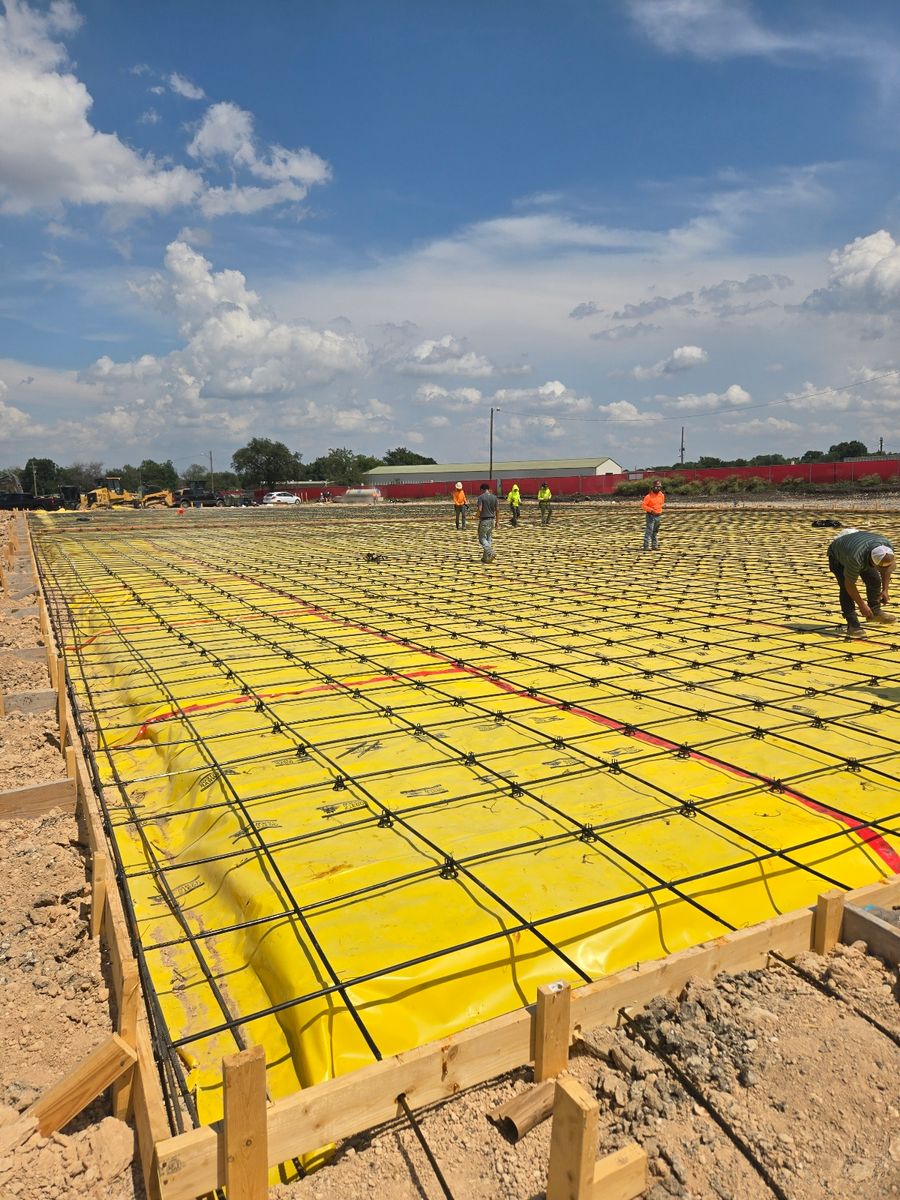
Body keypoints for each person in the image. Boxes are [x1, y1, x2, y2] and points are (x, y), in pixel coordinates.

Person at [827, 529, 896, 637]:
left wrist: (885, 590)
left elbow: (886, 570)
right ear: (871, 560)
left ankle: (875, 612)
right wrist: (862, 605)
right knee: (845, 589)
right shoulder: (855, 559)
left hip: (859, 546)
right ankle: (852, 623)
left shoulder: (887, 548)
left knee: (874, 580)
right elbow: (849, 584)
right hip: (838, 556)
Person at [476, 482, 499, 563]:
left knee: (482, 538)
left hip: (484, 520)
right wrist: (497, 522)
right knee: (488, 538)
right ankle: (486, 558)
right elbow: (497, 510)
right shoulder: (494, 497)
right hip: (492, 520)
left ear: (482, 489)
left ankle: (490, 552)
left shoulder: (481, 497)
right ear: (488, 489)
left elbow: (480, 509)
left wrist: (476, 515)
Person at [641, 479, 665, 550]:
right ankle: (646, 546)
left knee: (655, 531)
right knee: (649, 530)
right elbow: (643, 506)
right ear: (653, 487)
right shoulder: (648, 496)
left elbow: (661, 504)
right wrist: (651, 510)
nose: (658, 488)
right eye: (656, 487)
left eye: (659, 487)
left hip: (658, 516)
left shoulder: (661, 495)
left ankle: (654, 545)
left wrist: (659, 511)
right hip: (650, 516)